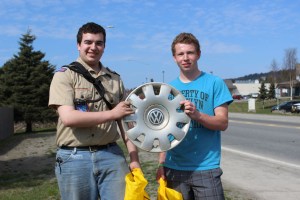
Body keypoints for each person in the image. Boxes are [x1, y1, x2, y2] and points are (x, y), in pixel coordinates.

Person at [48, 22, 141, 200]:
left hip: (111, 156)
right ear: (78, 45)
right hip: (74, 157)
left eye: (99, 43)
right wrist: (112, 114)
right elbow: (68, 117)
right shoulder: (64, 75)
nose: (93, 47)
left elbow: (126, 123)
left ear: (104, 47)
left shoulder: (115, 79)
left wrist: (134, 158)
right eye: (88, 42)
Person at [156, 32, 233, 200]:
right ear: (174, 58)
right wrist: (162, 162)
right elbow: (164, 132)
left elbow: (222, 123)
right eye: (180, 54)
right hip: (174, 168)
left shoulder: (215, 83)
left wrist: (198, 115)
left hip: (206, 168)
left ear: (198, 54)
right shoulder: (169, 88)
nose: (185, 58)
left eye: (190, 53)